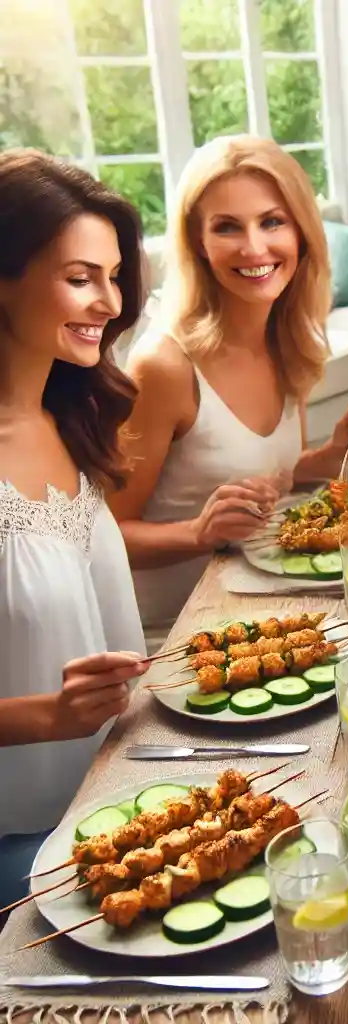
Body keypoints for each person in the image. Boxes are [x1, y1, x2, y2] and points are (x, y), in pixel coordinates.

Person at [108, 136, 348, 650]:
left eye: (272, 221)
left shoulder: (289, 339)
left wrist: (337, 452)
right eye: (227, 227)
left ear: (302, 232)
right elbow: (105, 533)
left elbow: (271, 476)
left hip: (261, 602)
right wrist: (198, 531)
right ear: (197, 242)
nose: (254, 248)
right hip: (176, 636)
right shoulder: (164, 366)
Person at [0, 150, 148, 905]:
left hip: (116, 793)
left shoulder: (73, 417)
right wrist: (48, 716)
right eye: (80, 277)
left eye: (114, 276)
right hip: (23, 842)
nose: (109, 303)